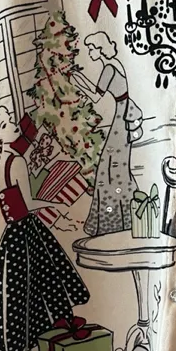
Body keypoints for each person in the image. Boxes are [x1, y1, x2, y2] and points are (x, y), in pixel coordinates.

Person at [0, 105, 89, 351]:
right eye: (5, 124)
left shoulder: (2, 162)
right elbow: (27, 203)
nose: (13, 124)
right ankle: (61, 326)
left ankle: (36, 337)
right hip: (26, 230)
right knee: (47, 276)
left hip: (13, 233)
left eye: (11, 121)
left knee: (18, 289)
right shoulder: (16, 161)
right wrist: (54, 205)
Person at [73, 32, 143, 237]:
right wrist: (79, 78)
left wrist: (76, 80)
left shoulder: (109, 68)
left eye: (91, 48)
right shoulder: (114, 64)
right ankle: (124, 216)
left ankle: (111, 221)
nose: (90, 53)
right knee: (116, 167)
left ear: (99, 48)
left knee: (110, 167)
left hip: (121, 118)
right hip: (122, 114)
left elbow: (95, 97)